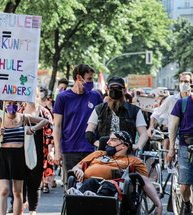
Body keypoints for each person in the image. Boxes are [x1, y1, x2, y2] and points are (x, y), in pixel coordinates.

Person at [70, 131, 162, 215]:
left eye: (113, 140)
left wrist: (158, 204)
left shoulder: (133, 160)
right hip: (89, 182)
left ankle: (95, 199)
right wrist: (78, 170)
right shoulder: (98, 154)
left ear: (124, 145)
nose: (108, 142)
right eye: (109, 139)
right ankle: (83, 197)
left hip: (113, 186)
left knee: (107, 185)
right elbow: (76, 167)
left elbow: (144, 181)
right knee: (90, 183)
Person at [0, 100, 50, 215]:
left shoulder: (23, 118)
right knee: (4, 190)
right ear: (4, 104)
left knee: (17, 192)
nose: (11, 106)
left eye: (14, 103)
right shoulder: (0, 120)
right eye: (8, 103)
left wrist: (32, 129)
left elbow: (45, 121)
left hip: (19, 156)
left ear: (19, 105)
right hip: (4, 155)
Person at [53, 64, 103, 183]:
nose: (91, 83)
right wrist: (57, 151)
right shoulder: (62, 98)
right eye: (89, 79)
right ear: (79, 77)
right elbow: (57, 126)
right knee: (70, 188)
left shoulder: (96, 96)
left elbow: (102, 121)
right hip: (70, 150)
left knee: (90, 187)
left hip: (91, 150)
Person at [85, 77, 148, 151]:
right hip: (103, 154)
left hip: (126, 154)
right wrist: (98, 143)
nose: (114, 91)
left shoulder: (135, 110)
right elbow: (89, 131)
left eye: (118, 88)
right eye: (112, 88)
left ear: (124, 90)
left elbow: (144, 134)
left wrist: (137, 146)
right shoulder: (99, 109)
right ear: (107, 91)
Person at [21, 95, 53, 215]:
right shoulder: (20, 111)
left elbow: (50, 132)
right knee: (21, 179)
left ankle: (32, 210)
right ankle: (21, 204)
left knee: (35, 180)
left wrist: (50, 151)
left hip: (39, 150)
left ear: (37, 96)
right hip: (21, 151)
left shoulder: (44, 112)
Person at [167, 81, 193, 214]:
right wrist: (171, 148)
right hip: (186, 147)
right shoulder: (182, 103)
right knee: (184, 186)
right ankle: (187, 203)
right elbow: (172, 127)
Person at [148, 72, 192, 137]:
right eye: (181, 81)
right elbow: (155, 114)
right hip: (175, 140)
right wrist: (151, 127)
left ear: (191, 83)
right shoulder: (171, 99)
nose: (183, 84)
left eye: (186, 81)